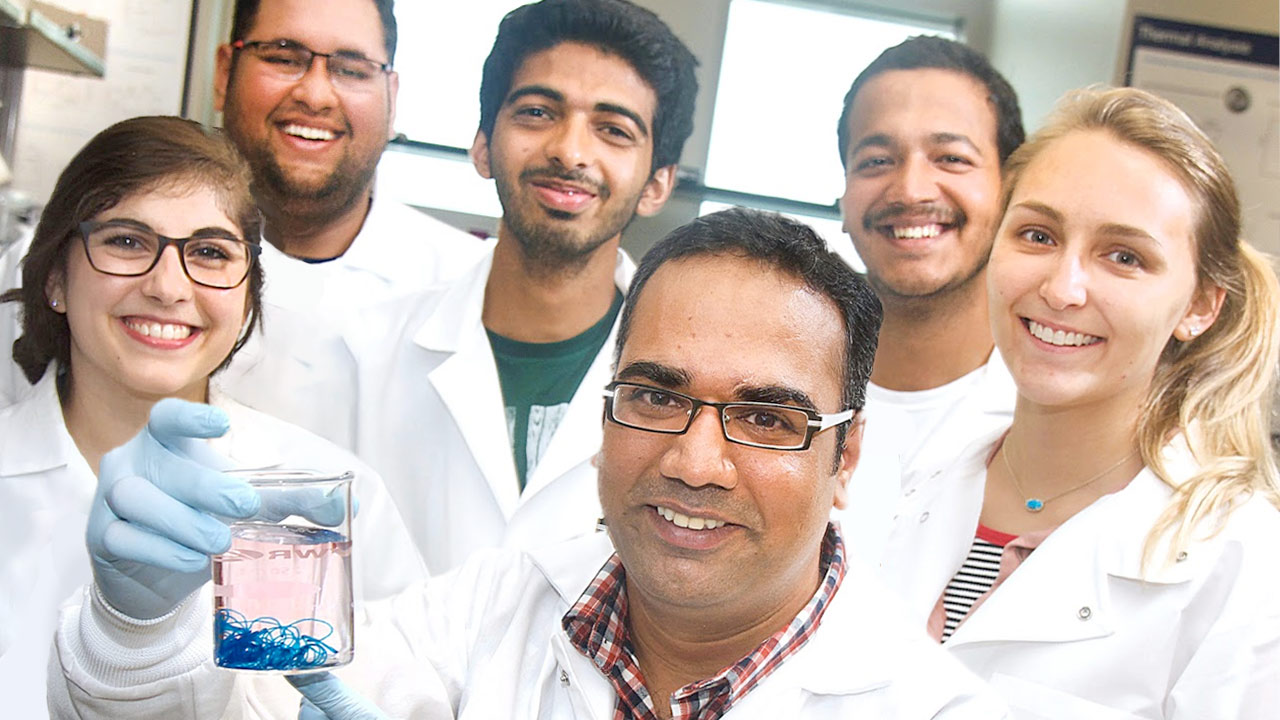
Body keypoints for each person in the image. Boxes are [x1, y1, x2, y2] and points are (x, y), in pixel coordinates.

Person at [49, 207, 1010, 719]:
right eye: (657, 395)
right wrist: (138, 626)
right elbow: (237, 710)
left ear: (846, 457)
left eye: (767, 417)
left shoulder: (932, 708)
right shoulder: (490, 608)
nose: (695, 460)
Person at [0, 116, 425, 719]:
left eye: (209, 252)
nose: (169, 286)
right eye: (126, 241)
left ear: (248, 293)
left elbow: (416, 689)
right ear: (55, 279)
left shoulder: (329, 491)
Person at [879, 87, 1280, 717]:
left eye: (1124, 257)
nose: (1062, 288)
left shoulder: (1243, 562)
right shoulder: (903, 475)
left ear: (1200, 305)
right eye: (1037, 235)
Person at [313, 0, 698, 573]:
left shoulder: (699, 389)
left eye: (613, 130)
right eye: (538, 113)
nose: (570, 151)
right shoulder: (361, 354)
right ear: (482, 146)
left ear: (657, 184)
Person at [0, 0, 488, 416]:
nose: (316, 94)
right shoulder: (60, 266)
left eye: (351, 69)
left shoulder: (466, 291)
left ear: (392, 96)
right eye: (283, 57)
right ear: (223, 74)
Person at [833, 38, 1025, 553]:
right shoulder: (777, 383)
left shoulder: (1053, 408)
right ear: (843, 199)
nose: (912, 190)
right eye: (876, 160)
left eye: (951, 158)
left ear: (1011, 189)